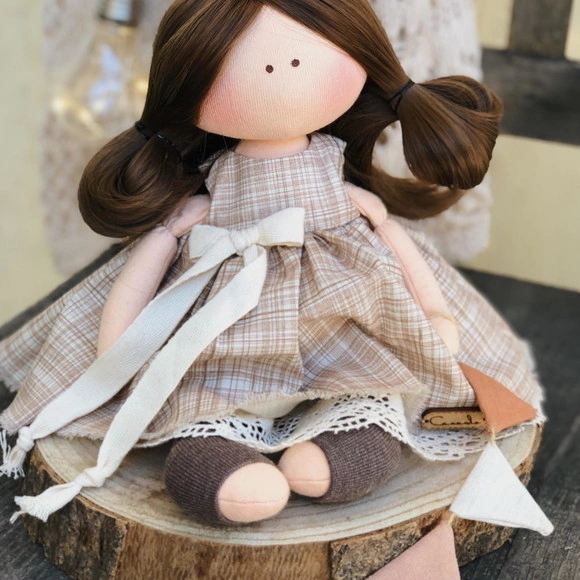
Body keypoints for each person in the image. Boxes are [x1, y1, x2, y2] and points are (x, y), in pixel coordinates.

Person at [0, 0, 541, 528]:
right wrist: (121, 343)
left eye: (301, 57)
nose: (277, 71)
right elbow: (156, 250)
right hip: (229, 339)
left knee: (363, 386)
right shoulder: (209, 191)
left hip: (339, 329)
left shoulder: (341, 184)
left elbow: (395, 242)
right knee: (207, 399)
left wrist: (434, 316)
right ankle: (215, 455)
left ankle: (349, 435)